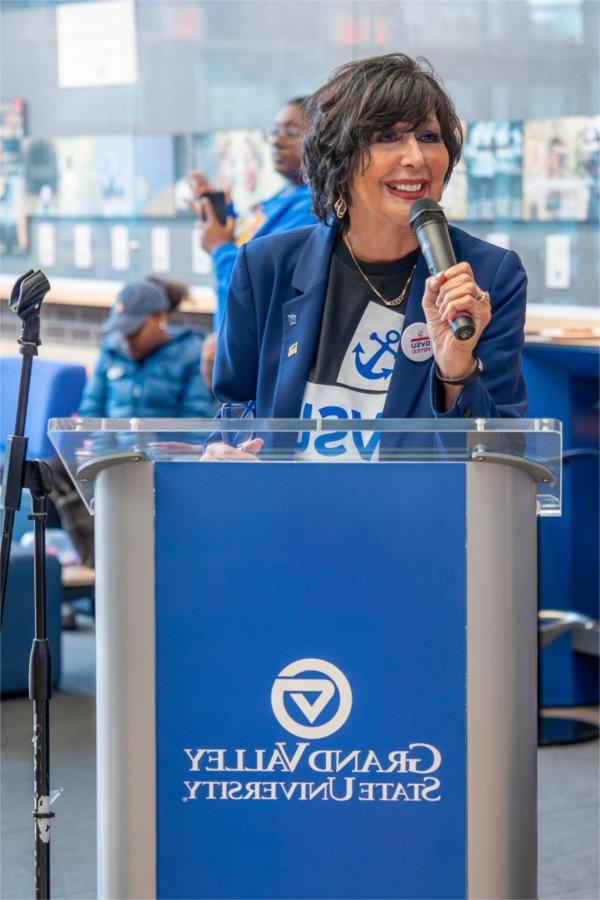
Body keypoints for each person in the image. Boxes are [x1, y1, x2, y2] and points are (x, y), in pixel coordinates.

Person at [209, 53, 527, 461]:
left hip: (412, 516)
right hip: (291, 511)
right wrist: (225, 455)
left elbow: (499, 459)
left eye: (429, 137)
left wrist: (456, 370)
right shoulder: (267, 265)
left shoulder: (486, 275)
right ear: (338, 158)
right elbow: (235, 410)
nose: (416, 157)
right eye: (388, 137)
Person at [188, 97, 317, 329]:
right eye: (275, 131)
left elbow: (254, 287)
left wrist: (219, 248)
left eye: (291, 132)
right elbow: (248, 248)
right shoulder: (278, 199)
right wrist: (223, 215)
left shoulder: (313, 209)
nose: (277, 141)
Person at [78, 277, 215, 419]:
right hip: (112, 441)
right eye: (122, 331)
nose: (127, 340)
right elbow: (91, 410)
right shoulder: (110, 351)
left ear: (161, 317)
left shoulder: (192, 355)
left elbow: (196, 421)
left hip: (167, 441)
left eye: (134, 331)